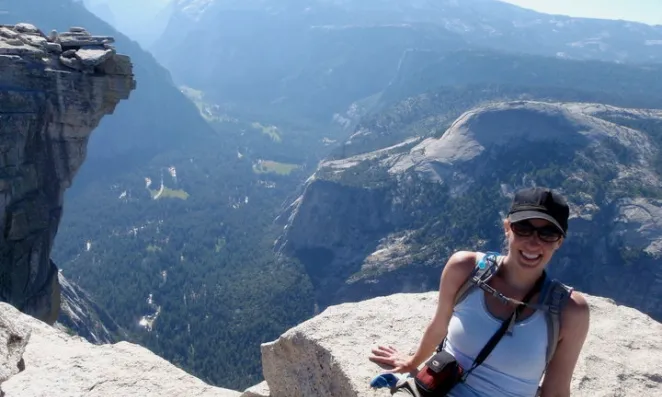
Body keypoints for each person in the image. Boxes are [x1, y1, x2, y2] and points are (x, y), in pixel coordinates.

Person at [369, 187, 590, 397]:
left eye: (547, 234)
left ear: (559, 242)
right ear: (507, 227)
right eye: (523, 228)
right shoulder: (465, 269)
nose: (533, 243)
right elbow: (439, 325)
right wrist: (411, 363)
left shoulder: (570, 311)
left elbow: (556, 391)